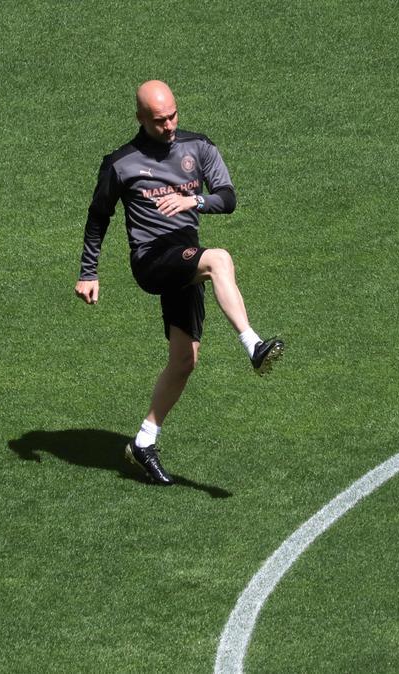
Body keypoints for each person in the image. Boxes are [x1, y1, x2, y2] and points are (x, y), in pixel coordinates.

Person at [75, 80, 283, 486]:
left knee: (185, 360)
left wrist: (194, 201)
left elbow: (227, 197)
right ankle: (252, 345)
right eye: (159, 120)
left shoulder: (198, 147)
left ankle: (143, 441)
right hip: (152, 261)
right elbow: (99, 216)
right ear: (140, 119)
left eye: (172, 116)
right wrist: (88, 270)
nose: (169, 126)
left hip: (187, 260)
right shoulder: (121, 163)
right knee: (219, 259)